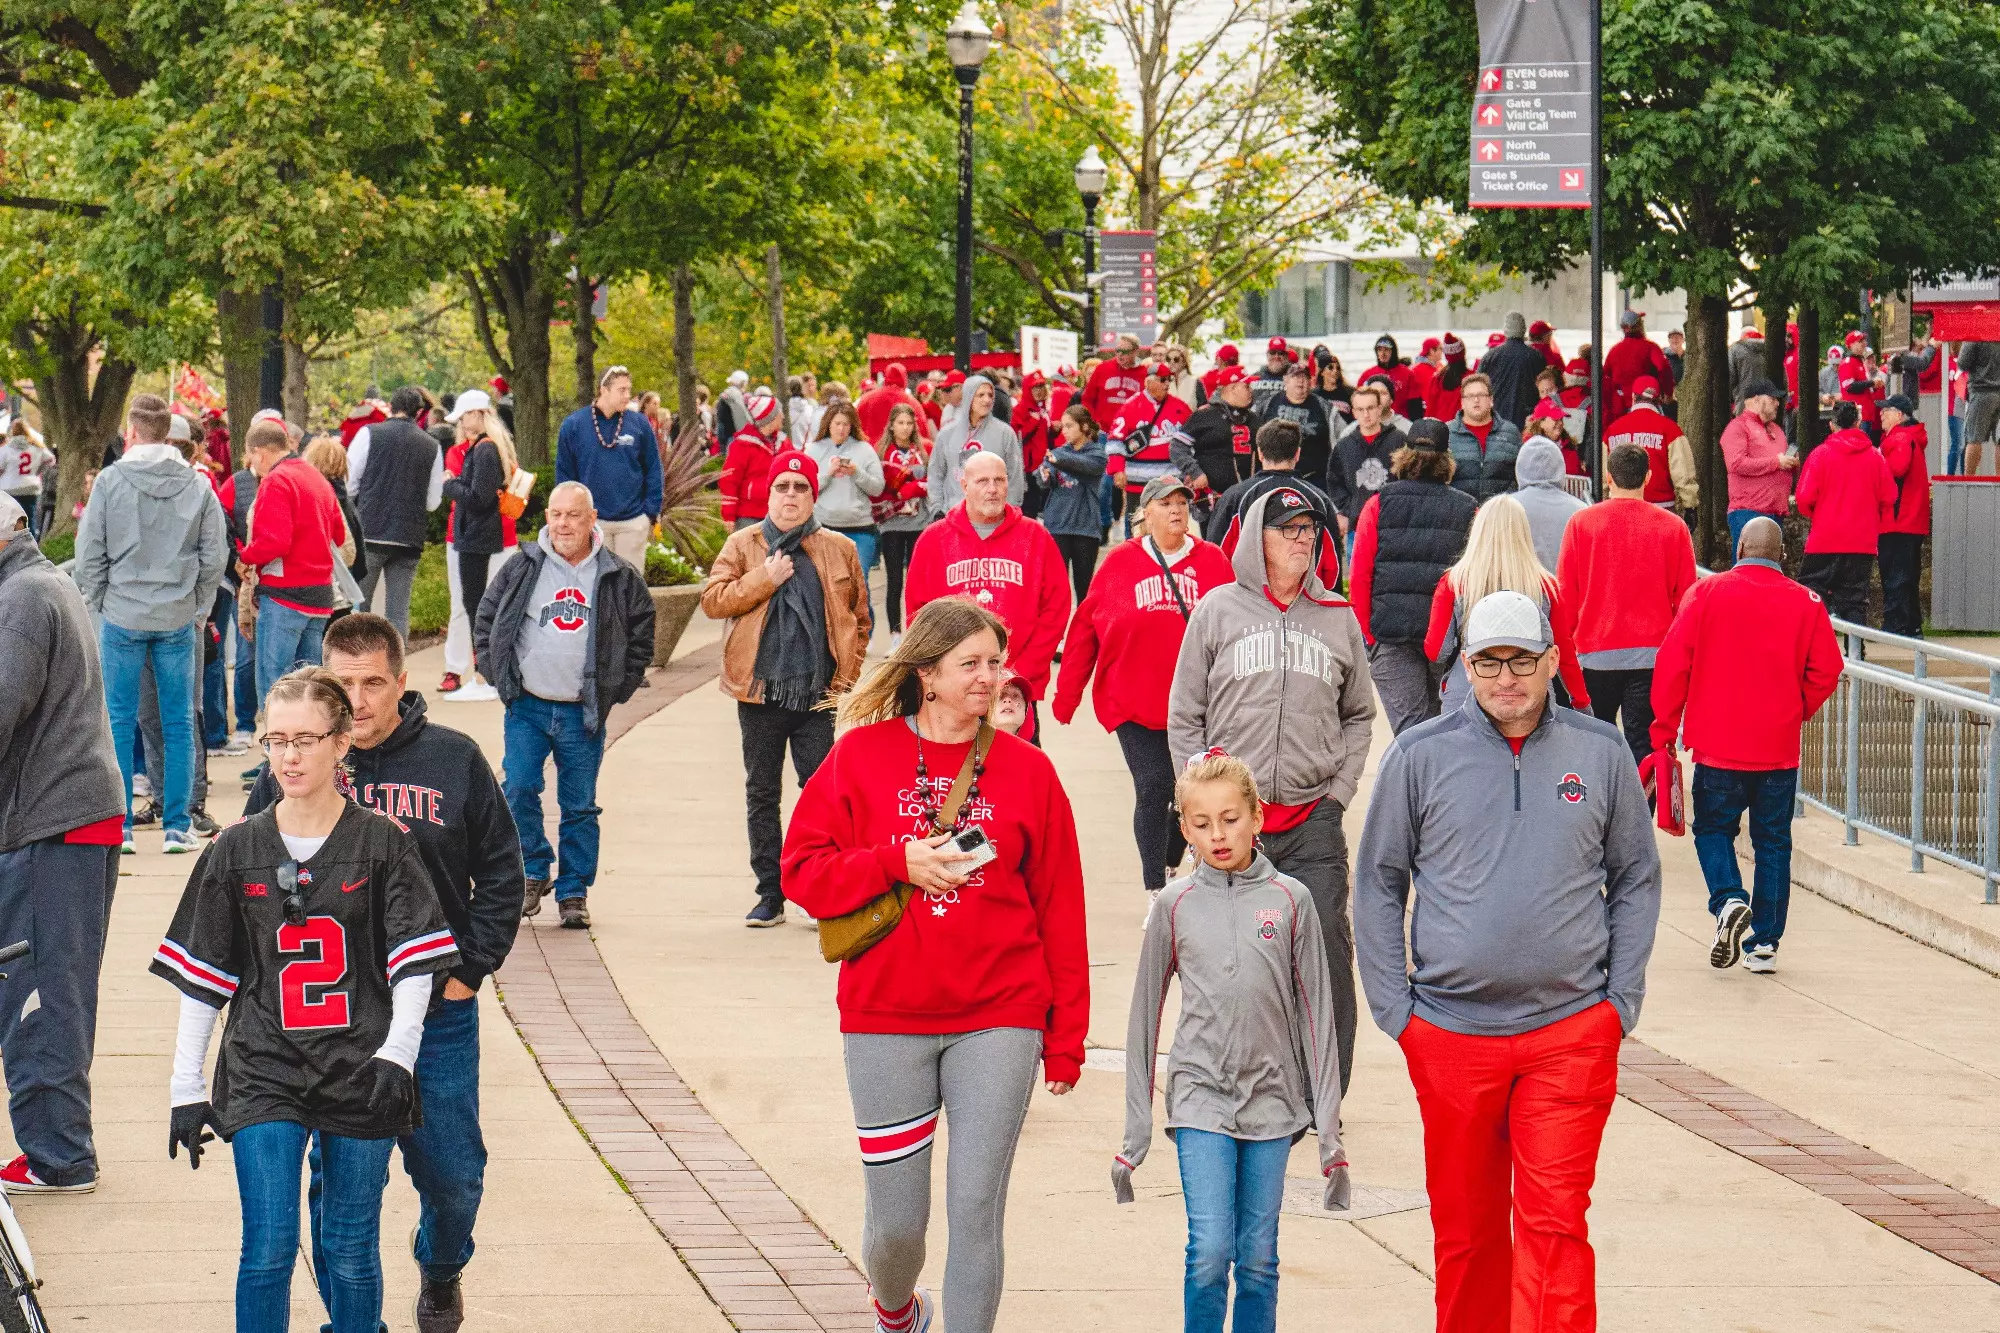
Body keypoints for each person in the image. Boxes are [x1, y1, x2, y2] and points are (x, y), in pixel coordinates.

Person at [1356, 588, 1661, 1333]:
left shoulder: (1600, 752)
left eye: (1522, 659)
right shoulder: (1418, 755)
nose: (1506, 678)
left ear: (1552, 660)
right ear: (1465, 665)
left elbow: (1636, 875)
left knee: (1555, 1228)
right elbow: (1378, 882)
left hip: (1570, 1033)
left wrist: (1618, 1003)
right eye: (1488, 661)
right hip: (1450, 1035)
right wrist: (1398, 1013)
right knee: (1468, 1235)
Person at [780, 597, 1088, 1333]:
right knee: (897, 1228)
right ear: (926, 673)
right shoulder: (859, 756)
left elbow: (1061, 911)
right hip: (886, 1017)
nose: (989, 678)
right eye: (969, 663)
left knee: (977, 1208)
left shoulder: (1031, 772)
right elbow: (801, 870)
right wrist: (895, 861)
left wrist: (1066, 1037)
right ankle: (897, 1311)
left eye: (995, 663)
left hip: (1001, 1016)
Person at [154, 667, 461, 1333]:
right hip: (264, 1064)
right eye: (276, 740)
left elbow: (414, 962)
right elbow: (205, 976)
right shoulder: (236, 847)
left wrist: (399, 1053)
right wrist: (185, 1084)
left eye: (305, 739)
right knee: (267, 1247)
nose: (288, 756)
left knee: (349, 1247)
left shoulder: (382, 840)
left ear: (341, 742)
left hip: (360, 1063)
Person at [241, 615, 522, 1331]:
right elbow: (249, 871)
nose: (358, 700)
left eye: (373, 682)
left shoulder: (454, 760)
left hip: (435, 1015)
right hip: (333, 1020)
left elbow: (501, 871)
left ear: (402, 681)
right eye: (343, 684)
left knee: (454, 1176)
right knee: (338, 1199)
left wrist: (470, 969)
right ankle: (353, 1321)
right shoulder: (297, 763)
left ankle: (441, 1263)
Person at [1113, 750, 1349, 1333]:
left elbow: (1319, 1018)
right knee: (1209, 1253)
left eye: (1230, 818)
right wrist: (1136, 1131)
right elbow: (1144, 1018)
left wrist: (1330, 1134)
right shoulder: (1174, 906)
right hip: (1200, 1099)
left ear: (1257, 817)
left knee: (1260, 1261)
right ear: (1184, 828)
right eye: (1201, 823)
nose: (1217, 835)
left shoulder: (1291, 901)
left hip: (1273, 1102)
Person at [1170, 486, 1376, 1095]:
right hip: (1233, 823)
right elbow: (1185, 713)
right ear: (1256, 539)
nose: (1301, 539)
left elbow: (1359, 713)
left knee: (1326, 954)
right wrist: (1201, 801)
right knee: (1229, 960)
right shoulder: (1217, 611)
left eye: (1309, 529)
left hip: (1313, 817)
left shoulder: (1337, 615)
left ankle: (1321, 1093)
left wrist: (1339, 791)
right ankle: (1230, 1083)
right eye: (1287, 529)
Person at [1649, 517, 1842, 975]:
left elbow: (1672, 664)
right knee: (1773, 842)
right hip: (1777, 749)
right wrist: (1796, 710)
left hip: (1717, 747)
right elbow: (1827, 670)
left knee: (1713, 830)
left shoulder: (1705, 594)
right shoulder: (1807, 602)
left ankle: (1729, 899)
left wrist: (1664, 731)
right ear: (1783, 556)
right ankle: (1765, 944)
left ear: (1738, 549)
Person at [0, 492, 122, 1194]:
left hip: (53, 819)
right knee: (55, 984)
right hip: (70, 813)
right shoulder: (43, 582)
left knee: (42, 987)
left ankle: (59, 1155)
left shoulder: (20, 597)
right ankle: (58, 1146)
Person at [700, 451, 871, 928]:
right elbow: (713, 600)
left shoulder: (839, 548)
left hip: (817, 694)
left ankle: (817, 890)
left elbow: (860, 618)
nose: (791, 495)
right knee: (762, 794)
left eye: (801, 487)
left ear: (814, 496)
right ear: (769, 493)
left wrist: (847, 674)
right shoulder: (742, 544)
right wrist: (765, 579)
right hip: (759, 693)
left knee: (822, 797)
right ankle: (769, 894)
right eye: (783, 487)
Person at [476, 481, 655, 931]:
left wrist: (617, 687)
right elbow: (487, 618)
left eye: (573, 515)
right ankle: (533, 869)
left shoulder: (617, 575)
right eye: (556, 514)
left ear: (592, 519)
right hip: (528, 706)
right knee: (518, 787)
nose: (563, 524)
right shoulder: (522, 566)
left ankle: (574, 890)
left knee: (579, 805)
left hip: (583, 711)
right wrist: (498, 675)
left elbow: (642, 634)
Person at [1054, 476, 1233, 893]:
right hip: (1133, 701)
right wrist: (1067, 696)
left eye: (1182, 503)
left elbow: (1235, 626)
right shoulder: (1120, 562)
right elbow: (1085, 629)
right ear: (1145, 514)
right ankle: (1155, 890)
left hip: (1197, 705)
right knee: (1153, 787)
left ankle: (1170, 864)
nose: (1176, 511)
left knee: (1190, 792)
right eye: (1165, 504)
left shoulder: (1212, 561)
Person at [75, 392, 229, 853]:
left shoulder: (110, 481)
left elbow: (89, 553)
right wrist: (197, 606)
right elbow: (214, 555)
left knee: (119, 723)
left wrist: (102, 600)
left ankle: (120, 825)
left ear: (132, 432)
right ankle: (177, 826)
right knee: (179, 722)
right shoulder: (197, 485)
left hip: (122, 612)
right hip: (177, 615)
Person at [906, 452, 1069, 742]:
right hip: (954, 689)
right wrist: (942, 672)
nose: (992, 489)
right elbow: (918, 616)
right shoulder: (934, 540)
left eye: (999, 480)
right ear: (964, 485)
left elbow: (1056, 609)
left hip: (1014, 688)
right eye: (982, 481)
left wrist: (1019, 673)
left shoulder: (1036, 537)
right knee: (954, 766)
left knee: (1019, 767)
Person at [1555, 444, 1697, 764]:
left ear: (1608, 477)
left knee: (1595, 743)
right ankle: (1641, 798)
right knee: (1643, 743)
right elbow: (1686, 601)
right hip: (1652, 655)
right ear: (1648, 477)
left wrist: (1566, 648)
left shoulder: (1581, 524)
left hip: (1594, 652)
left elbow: (1567, 594)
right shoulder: (1673, 528)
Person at [1348, 419, 1479, 735]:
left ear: (1403, 455)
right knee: (1447, 729)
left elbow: (1360, 575)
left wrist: (1369, 636)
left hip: (1391, 635)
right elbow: (1475, 580)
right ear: (1447, 459)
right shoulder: (1468, 509)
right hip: (1447, 639)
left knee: (1410, 735)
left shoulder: (1378, 504)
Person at [1423, 495, 1592, 714]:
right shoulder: (1545, 586)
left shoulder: (1454, 582)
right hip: (1529, 694)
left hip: (1467, 693)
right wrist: (1581, 701)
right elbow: (1564, 653)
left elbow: (1437, 651)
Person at [237, 418, 349, 704]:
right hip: (320, 594)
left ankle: (277, 734)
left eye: (252, 458)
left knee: (275, 687)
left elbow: (275, 541)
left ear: (259, 452)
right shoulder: (316, 477)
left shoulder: (276, 480)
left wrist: (246, 557)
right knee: (311, 688)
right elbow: (338, 534)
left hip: (285, 594)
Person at [1204, 420, 1344, 593]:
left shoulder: (1234, 497)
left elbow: (1215, 557)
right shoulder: (1318, 499)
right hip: (1304, 601)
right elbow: (1332, 566)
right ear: (1297, 454)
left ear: (1260, 453)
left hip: (1246, 600)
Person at [348, 385, 443, 638]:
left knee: (361, 606)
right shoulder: (432, 446)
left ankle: (360, 657)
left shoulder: (369, 434)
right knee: (398, 612)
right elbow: (433, 502)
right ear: (419, 412)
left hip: (370, 532)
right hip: (409, 535)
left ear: (390, 407)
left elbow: (350, 483)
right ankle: (397, 660)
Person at [438, 415, 520, 700]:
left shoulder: (494, 449)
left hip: (495, 533)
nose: (462, 423)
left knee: (491, 604)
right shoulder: (459, 451)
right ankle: (458, 667)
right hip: (467, 533)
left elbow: (481, 494)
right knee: (464, 605)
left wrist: (452, 484)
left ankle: (491, 669)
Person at [1794, 401, 1897, 624]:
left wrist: (1818, 514)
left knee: (1812, 595)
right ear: (1858, 423)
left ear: (1832, 425)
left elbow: (1804, 497)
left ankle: (1817, 644)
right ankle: (1855, 646)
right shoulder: (1875, 457)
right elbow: (1889, 496)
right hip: (1862, 542)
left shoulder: (1820, 455)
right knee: (1855, 601)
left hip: (1824, 538)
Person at [555, 365, 663, 568]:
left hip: (633, 521)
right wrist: (572, 516)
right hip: (592, 521)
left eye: (629, 389)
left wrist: (649, 512)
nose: (628, 396)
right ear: (604, 390)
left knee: (629, 583)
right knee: (596, 582)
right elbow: (565, 476)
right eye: (622, 390)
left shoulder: (639, 424)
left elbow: (653, 468)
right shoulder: (574, 425)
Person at [805, 401, 886, 586]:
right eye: (837, 424)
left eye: (846, 424)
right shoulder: (814, 450)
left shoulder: (865, 449)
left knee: (859, 581)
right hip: (824, 527)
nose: (841, 429)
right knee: (827, 584)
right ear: (828, 424)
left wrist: (857, 473)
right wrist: (828, 474)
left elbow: (877, 488)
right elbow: (806, 487)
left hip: (860, 528)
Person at [1037, 404, 1108, 606]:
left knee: (1084, 589)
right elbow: (1043, 479)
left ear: (1084, 426)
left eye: (1069, 426)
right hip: (1057, 526)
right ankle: (1057, 626)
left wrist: (1057, 459)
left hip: (1086, 528)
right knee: (1055, 588)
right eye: (1063, 426)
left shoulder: (1097, 454)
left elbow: (1085, 466)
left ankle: (1083, 626)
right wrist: (1045, 474)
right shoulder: (1059, 453)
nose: (1064, 431)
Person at [873, 405, 931, 648]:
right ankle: (895, 634)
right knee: (895, 579)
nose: (905, 428)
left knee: (918, 580)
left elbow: (934, 479)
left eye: (909, 423)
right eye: (900, 423)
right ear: (891, 426)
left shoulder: (924, 451)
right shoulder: (881, 452)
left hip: (919, 522)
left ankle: (920, 633)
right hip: (892, 524)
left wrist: (916, 487)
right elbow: (876, 487)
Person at [1108, 362, 1196, 524]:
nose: (1167, 384)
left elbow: (1193, 441)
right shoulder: (1130, 407)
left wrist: (1191, 470)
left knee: (1168, 525)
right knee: (1138, 525)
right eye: (1162, 380)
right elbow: (1115, 441)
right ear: (1148, 382)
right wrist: (1117, 469)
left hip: (1171, 482)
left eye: (1169, 379)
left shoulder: (1180, 407)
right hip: (1138, 484)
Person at [1324, 383, 1405, 556]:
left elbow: (1409, 477)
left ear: (1379, 409)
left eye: (1370, 408)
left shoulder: (1399, 440)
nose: (1366, 414)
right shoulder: (1344, 446)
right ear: (1354, 412)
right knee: (1357, 571)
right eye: (1360, 409)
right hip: (1358, 526)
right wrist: (1349, 509)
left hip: (1393, 525)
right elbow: (1334, 481)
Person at [929, 374, 1025, 517]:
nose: (987, 400)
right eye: (980, 395)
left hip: (993, 516)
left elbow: (1015, 476)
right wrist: (937, 509)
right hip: (955, 515)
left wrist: (1010, 510)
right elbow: (935, 474)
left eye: (990, 395)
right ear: (968, 397)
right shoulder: (947, 434)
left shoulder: (1005, 433)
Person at [1720, 378, 1797, 552]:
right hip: (1749, 512)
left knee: (1770, 565)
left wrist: (1791, 462)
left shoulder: (1777, 430)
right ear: (1755, 400)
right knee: (1748, 563)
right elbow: (1736, 463)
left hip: (1776, 512)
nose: (1777, 403)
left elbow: (1781, 463)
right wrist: (1776, 462)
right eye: (1772, 399)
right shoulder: (1738, 427)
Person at [1876, 394, 1931, 637]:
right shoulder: (1909, 437)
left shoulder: (1899, 438)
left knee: (1895, 575)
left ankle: (1896, 626)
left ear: (1898, 415)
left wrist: (1876, 463)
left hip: (1897, 520)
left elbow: (1896, 469)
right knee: (1907, 576)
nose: (1880, 414)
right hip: (1909, 520)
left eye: (1885, 410)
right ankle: (1911, 625)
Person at [1603, 375, 1696, 514]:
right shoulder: (1670, 429)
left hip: (1621, 508)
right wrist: (1690, 505)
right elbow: (1683, 473)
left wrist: (1605, 500)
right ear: (1659, 400)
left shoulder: (1612, 430)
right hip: (1661, 509)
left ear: (1633, 397)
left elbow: (1604, 476)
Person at [1172, 364, 1256, 507]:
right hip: (1210, 499)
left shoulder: (1254, 419)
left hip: (1245, 498)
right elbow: (1177, 446)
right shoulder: (1205, 415)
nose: (1251, 391)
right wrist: (1195, 472)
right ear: (1232, 388)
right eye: (1246, 386)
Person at [1253, 361, 1335, 491]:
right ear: (1285, 380)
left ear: (1311, 381)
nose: (1300, 381)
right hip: (1273, 476)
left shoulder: (1325, 407)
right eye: (1295, 376)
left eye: (1305, 377)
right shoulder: (1267, 403)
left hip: (1314, 478)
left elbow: (1340, 438)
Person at [1511, 436, 1586, 573]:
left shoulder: (1506, 508)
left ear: (1519, 466)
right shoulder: (1582, 512)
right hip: (1565, 585)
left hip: (1519, 585)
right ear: (1560, 466)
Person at [1445, 373, 1523, 502]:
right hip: (1459, 509)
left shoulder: (1510, 432)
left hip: (1500, 509)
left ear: (1491, 400)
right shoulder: (1447, 433)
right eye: (1470, 396)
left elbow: (1520, 475)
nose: (1476, 400)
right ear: (1462, 402)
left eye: (1481, 395)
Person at [719, 389, 786, 529]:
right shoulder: (742, 445)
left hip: (778, 512)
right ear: (769, 418)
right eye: (779, 413)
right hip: (749, 515)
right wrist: (728, 514)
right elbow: (730, 480)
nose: (783, 416)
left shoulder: (783, 443)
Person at [1476, 312, 1547, 429]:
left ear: (1505, 330)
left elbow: (1476, 387)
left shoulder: (1490, 357)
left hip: (1497, 419)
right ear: (1524, 330)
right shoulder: (1536, 357)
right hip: (1528, 420)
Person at [1603, 309, 1676, 421]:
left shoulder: (1614, 350)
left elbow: (1606, 376)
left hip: (1620, 408)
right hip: (1646, 404)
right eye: (1641, 323)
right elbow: (1663, 367)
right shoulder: (1650, 347)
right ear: (1638, 326)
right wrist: (1668, 393)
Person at [1084, 333, 1147, 425]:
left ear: (1136, 352)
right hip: (1102, 429)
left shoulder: (1144, 373)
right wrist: (1092, 421)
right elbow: (1087, 399)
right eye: (1117, 350)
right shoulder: (1102, 368)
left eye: (1125, 351)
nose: (1120, 354)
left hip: (1130, 429)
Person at [858, 363, 926, 444]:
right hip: (902, 450)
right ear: (904, 378)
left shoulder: (866, 399)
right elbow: (923, 433)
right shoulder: (912, 402)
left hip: (870, 448)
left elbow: (856, 426)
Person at [1959, 340, 2000, 476]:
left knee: (1973, 438)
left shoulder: (1975, 334)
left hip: (1981, 391)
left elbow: (1963, 363)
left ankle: (1969, 480)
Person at [1424, 333, 1469, 422]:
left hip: (1439, 427)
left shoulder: (1437, 379)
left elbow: (1430, 410)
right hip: (1462, 427)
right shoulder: (1472, 378)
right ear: (1463, 353)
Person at [1727, 326, 1768, 409]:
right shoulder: (1770, 349)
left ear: (1742, 336)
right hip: (1767, 403)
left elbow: (1730, 377)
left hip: (1744, 402)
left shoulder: (1735, 350)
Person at [1249, 337, 1291, 415]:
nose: (1276, 356)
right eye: (1273, 352)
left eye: (1281, 353)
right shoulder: (1255, 377)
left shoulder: (1293, 378)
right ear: (1267, 354)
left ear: (1286, 356)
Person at [788, 372, 822, 448]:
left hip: (787, 449)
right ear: (802, 388)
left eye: (813, 385)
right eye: (808, 386)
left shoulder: (781, 410)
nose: (811, 389)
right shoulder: (811, 408)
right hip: (806, 449)